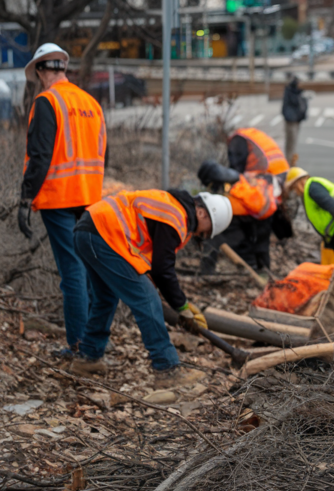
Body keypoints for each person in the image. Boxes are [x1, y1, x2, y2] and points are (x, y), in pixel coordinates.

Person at [70, 189, 233, 388]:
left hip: (89, 231)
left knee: (106, 297)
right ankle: (167, 369)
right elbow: (162, 270)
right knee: (147, 299)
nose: (201, 235)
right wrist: (182, 306)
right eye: (206, 231)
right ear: (202, 213)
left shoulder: (170, 206)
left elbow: (154, 265)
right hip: (104, 234)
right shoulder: (175, 217)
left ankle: (88, 357)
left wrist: (177, 301)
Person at [18, 43, 107, 356]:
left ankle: (80, 347)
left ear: (42, 72)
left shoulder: (47, 101)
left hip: (58, 198)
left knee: (72, 271)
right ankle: (92, 342)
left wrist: (25, 198)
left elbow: (39, 155)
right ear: (63, 69)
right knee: (87, 268)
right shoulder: (91, 103)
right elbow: (102, 153)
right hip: (89, 197)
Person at [196, 160, 284, 275]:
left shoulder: (223, 179)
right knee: (258, 245)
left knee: (215, 238)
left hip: (242, 212)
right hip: (260, 212)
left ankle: (207, 272)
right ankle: (259, 273)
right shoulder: (247, 182)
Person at [281, 75, 308, 164]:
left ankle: (291, 161)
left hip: (297, 120)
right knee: (290, 142)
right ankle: (289, 162)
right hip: (291, 120)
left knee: (293, 142)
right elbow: (288, 106)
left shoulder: (298, 93)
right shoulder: (291, 92)